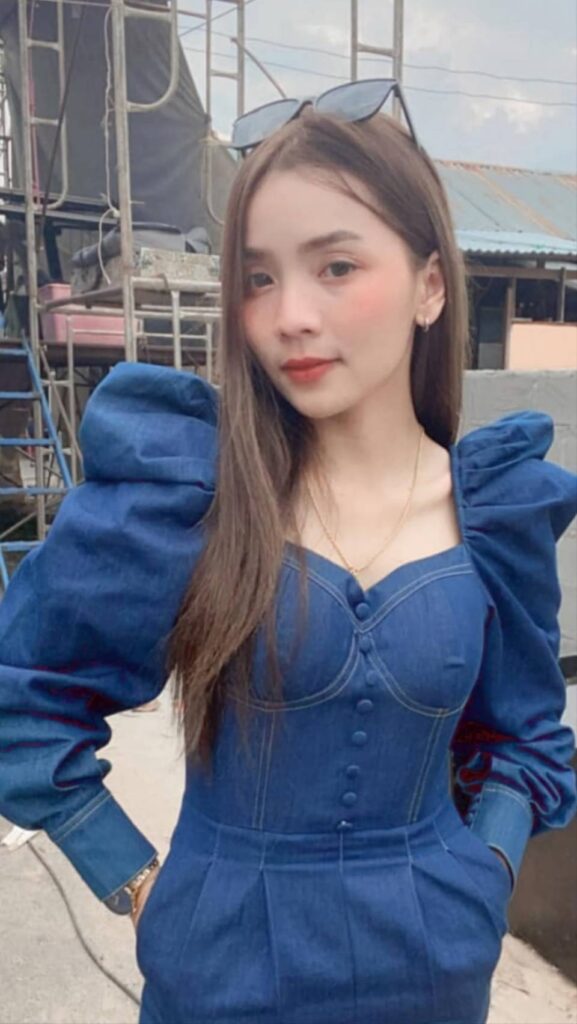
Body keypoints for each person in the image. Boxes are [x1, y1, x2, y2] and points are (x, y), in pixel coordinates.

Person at [1, 79, 576, 1024]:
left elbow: (523, 733)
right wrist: (136, 883)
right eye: (258, 277)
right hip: (220, 976)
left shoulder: (494, 512)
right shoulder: (186, 493)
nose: (289, 316)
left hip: (434, 972)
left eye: (335, 266)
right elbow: (23, 698)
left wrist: (487, 871)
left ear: (430, 285)